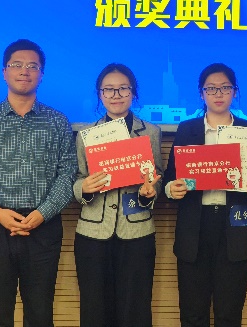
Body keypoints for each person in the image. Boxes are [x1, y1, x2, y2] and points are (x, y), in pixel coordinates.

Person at [0, 39, 78, 327]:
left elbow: (68, 173)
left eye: (33, 66)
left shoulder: (58, 122)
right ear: (4, 72)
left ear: (41, 74)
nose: (25, 71)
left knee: (40, 313)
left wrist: (42, 214)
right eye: (17, 65)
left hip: (43, 227)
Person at [163, 63, 247, 327]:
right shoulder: (187, 130)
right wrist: (171, 189)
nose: (218, 93)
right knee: (193, 313)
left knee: (229, 313)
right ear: (201, 93)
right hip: (194, 228)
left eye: (225, 87)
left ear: (235, 91)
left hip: (233, 228)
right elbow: (169, 179)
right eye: (211, 88)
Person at [73, 63, 163, 327]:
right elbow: (77, 178)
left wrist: (150, 191)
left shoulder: (150, 132)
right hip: (93, 231)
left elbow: (157, 174)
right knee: (94, 309)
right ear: (100, 94)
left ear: (133, 92)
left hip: (136, 230)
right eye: (108, 89)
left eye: (123, 88)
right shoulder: (86, 134)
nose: (116, 95)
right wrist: (84, 188)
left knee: (135, 309)